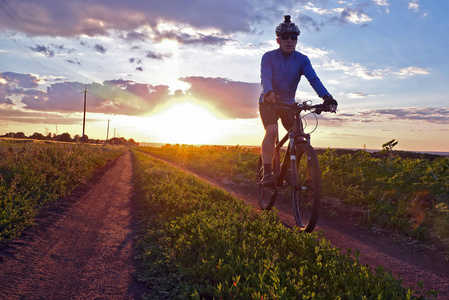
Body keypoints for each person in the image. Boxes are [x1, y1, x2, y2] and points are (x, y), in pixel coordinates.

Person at [259, 15, 338, 186]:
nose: (289, 40)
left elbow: (314, 79)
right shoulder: (268, 57)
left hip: (288, 104)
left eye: (293, 37)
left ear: (296, 40)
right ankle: (267, 173)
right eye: (285, 37)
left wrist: (326, 97)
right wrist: (268, 92)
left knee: (300, 137)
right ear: (278, 40)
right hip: (269, 102)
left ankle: (288, 169)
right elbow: (265, 76)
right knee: (272, 132)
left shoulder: (302, 59)